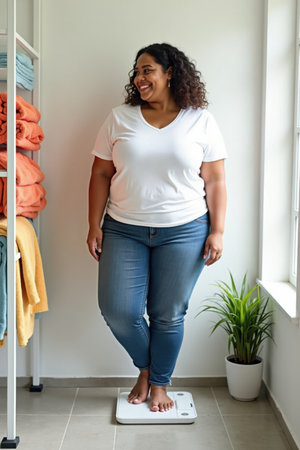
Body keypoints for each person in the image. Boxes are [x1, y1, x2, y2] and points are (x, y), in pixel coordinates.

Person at [87, 43, 227, 413]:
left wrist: (218, 230)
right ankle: (147, 368)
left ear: (170, 73)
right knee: (118, 309)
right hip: (123, 228)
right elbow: (101, 172)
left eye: (148, 69)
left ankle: (160, 384)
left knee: (168, 313)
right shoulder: (119, 117)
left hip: (185, 229)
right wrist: (93, 224)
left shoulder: (201, 120)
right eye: (137, 71)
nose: (139, 77)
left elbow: (214, 180)